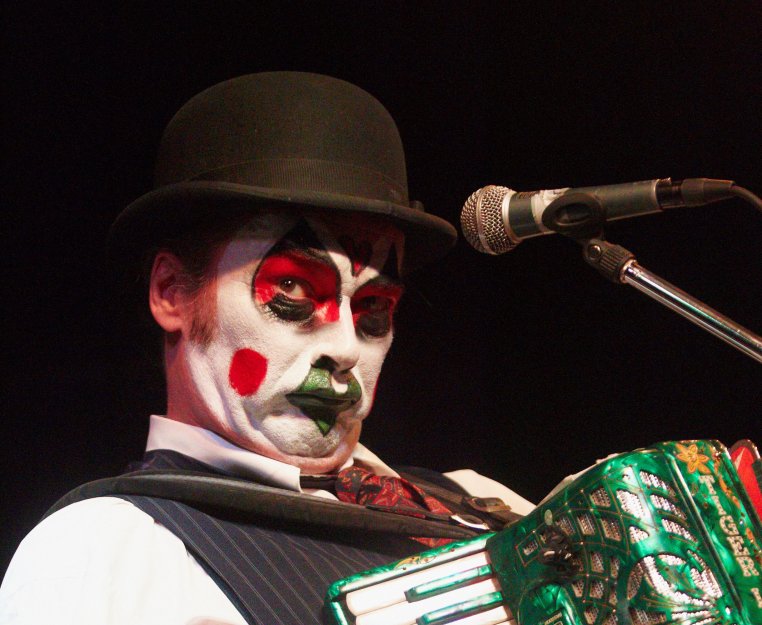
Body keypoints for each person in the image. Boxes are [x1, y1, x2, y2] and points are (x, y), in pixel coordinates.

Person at [0, 72, 533, 625]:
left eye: (373, 306)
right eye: (293, 289)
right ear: (172, 292)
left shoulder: (480, 500)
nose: (346, 348)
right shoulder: (104, 554)